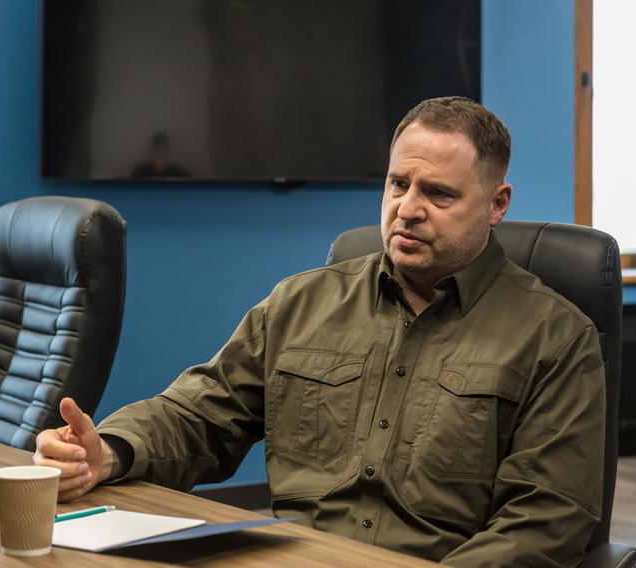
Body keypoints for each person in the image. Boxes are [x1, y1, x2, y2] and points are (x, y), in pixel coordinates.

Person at [34, 96, 605, 567]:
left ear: (497, 204)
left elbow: (544, 524)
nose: (407, 209)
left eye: (438, 194)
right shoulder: (302, 302)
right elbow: (199, 414)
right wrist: (105, 452)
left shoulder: (556, 338)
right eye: (397, 184)